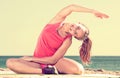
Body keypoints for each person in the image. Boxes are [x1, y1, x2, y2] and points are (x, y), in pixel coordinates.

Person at [6, 4, 109, 74]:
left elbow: (54, 59)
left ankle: (51, 70)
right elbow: (71, 7)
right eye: (77, 27)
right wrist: (93, 11)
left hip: (52, 62)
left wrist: (31, 58)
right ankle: (45, 71)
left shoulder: (67, 40)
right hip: (38, 64)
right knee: (10, 63)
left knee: (79, 70)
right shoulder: (56, 21)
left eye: (76, 33)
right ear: (79, 22)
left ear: (74, 35)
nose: (74, 29)